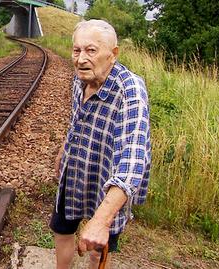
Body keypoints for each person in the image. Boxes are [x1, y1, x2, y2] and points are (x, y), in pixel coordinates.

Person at [50, 19, 151, 269]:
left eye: (91, 50)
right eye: (76, 50)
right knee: (61, 230)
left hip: (108, 180)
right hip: (74, 170)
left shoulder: (130, 91)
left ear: (113, 54)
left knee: (97, 249)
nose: (81, 58)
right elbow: (77, 118)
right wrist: (64, 149)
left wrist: (101, 221)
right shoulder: (80, 78)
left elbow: (133, 161)